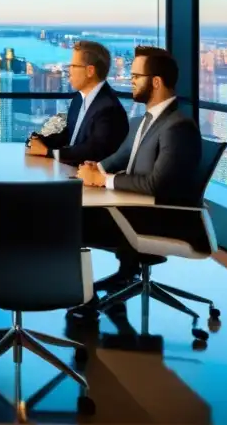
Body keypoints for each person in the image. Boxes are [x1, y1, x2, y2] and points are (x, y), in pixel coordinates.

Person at [75, 46, 203, 294]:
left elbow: (157, 185)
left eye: (136, 77)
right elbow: (121, 156)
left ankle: (84, 301)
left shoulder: (178, 127)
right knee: (73, 212)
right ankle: (122, 276)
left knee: (73, 221)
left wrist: (104, 181)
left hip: (160, 220)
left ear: (155, 82)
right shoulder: (144, 120)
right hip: (135, 210)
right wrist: (95, 168)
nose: (130, 81)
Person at [25, 40, 129, 166]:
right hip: (68, 169)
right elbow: (69, 134)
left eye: (73, 66)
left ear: (90, 71)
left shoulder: (109, 109)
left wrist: (48, 152)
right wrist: (41, 140)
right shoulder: (79, 99)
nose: (69, 70)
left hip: (89, 180)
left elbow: (91, 151)